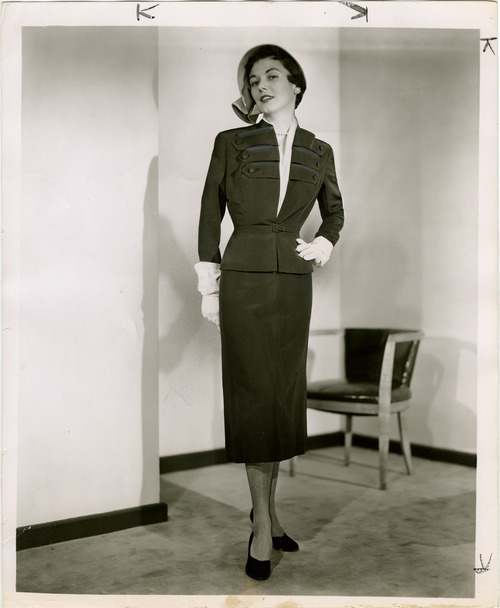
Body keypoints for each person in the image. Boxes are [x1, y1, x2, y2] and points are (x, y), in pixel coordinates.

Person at [194, 44, 344, 581]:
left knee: (281, 396)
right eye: (253, 78)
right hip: (244, 278)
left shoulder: (319, 150)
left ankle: (271, 515)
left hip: (293, 283)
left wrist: (324, 242)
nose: (261, 85)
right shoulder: (230, 142)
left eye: (273, 74)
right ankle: (261, 524)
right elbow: (211, 210)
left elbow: (335, 209)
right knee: (255, 395)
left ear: (296, 84)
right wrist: (208, 284)